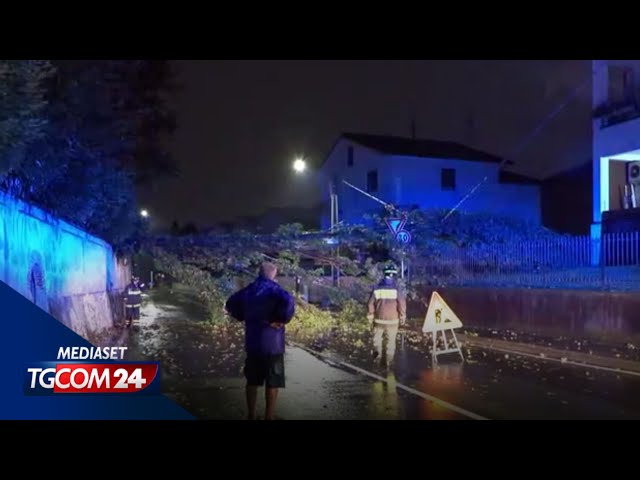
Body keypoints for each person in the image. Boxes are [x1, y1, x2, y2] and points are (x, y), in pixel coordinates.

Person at [225, 262, 295, 420]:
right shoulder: (276, 290)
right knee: (273, 381)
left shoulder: (249, 290)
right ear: (273, 274)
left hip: (253, 343)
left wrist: (241, 316)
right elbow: (289, 301)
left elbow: (230, 303)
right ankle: (268, 416)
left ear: (259, 273)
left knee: (252, 381)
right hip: (273, 344)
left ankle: (251, 414)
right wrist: (281, 319)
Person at [367, 264, 406, 368]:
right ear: (393, 275)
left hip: (379, 320)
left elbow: (370, 304)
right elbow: (402, 304)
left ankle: (377, 359)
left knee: (377, 340)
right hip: (393, 321)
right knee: (391, 342)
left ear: (384, 274)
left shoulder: (377, 289)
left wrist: (371, 316)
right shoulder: (397, 289)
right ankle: (389, 362)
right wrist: (402, 316)